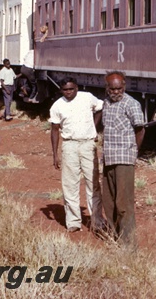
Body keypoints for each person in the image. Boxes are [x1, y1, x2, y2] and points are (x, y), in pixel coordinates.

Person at [49, 78, 105, 233]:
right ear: (61, 90)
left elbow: (100, 107)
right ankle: (73, 221)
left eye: (71, 89)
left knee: (92, 182)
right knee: (69, 184)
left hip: (88, 144)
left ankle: (97, 220)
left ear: (77, 88)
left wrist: (94, 126)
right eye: (65, 90)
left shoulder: (87, 97)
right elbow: (54, 130)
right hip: (69, 145)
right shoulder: (57, 106)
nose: (68, 93)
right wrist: (55, 154)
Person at [101, 71, 146, 248]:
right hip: (108, 157)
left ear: (124, 86)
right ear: (107, 88)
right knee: (109, 201)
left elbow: (140, 130)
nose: (116, 92)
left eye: (119, 88)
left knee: (123, 203)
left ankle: (129, 244)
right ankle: (115, 236)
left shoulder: (132, 104)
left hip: (124, 158)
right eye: (112, 89)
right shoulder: (106, 103)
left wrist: (133, 151)